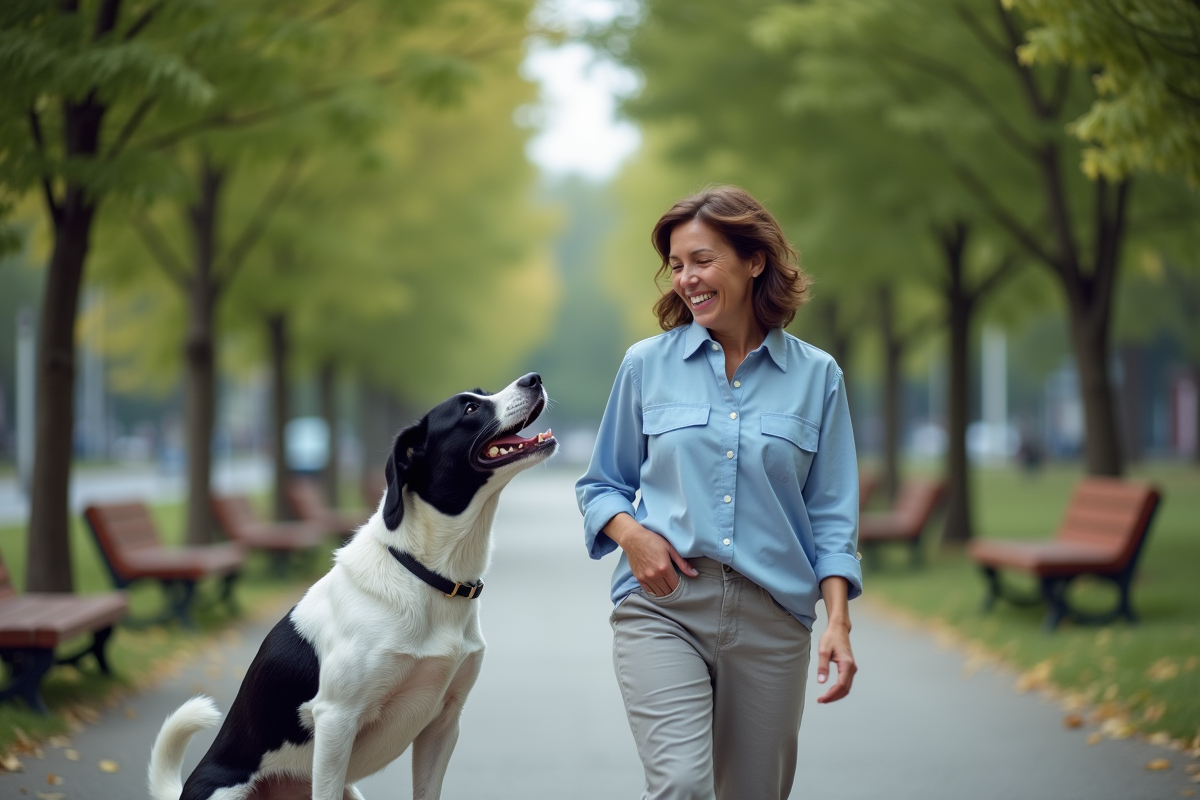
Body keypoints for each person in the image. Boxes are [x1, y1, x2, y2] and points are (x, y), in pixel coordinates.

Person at [575, 186, 861, 800]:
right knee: (681, 785)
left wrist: (838, 621)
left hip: (772, 618)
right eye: (677, 266)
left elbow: (832, 517)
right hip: (663, 606)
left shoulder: (818, 377)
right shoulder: (646, 365)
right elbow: (602, 484)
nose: (686, 279)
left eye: (702, 260)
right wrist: (633, 537)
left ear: (754, 260)